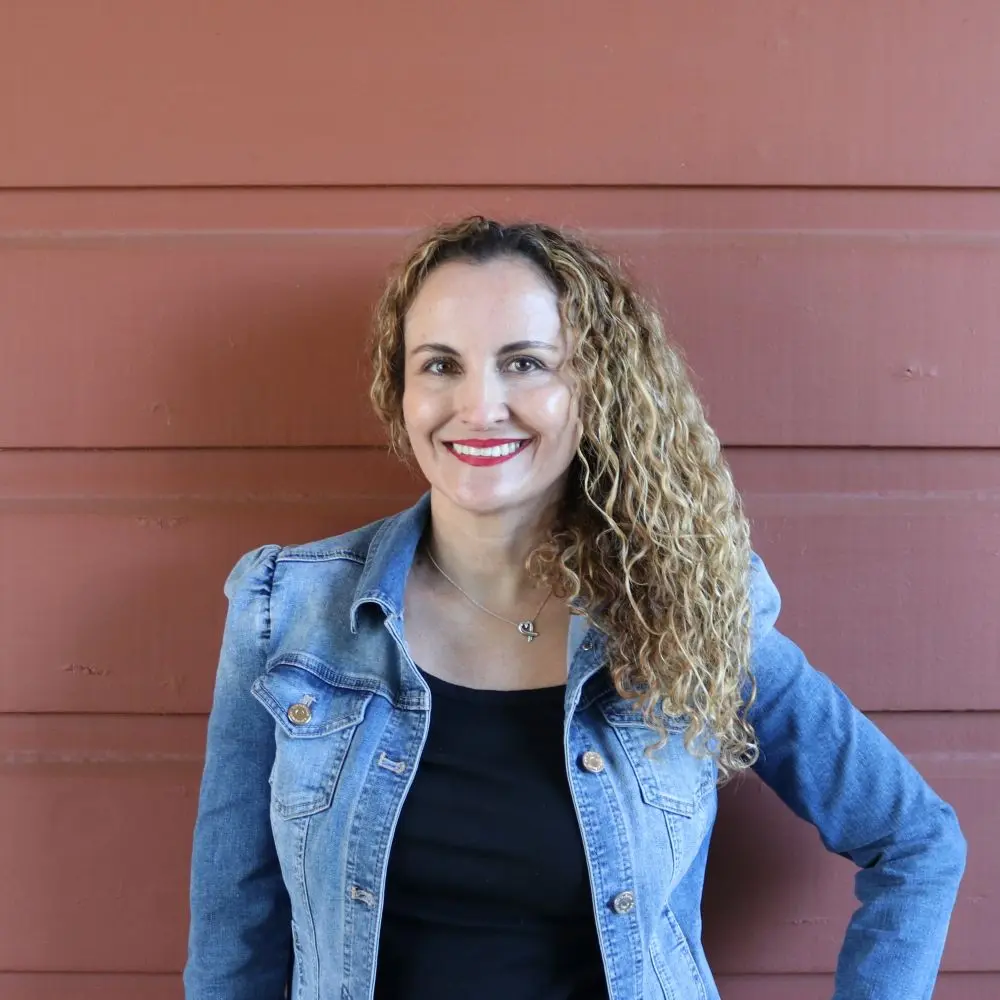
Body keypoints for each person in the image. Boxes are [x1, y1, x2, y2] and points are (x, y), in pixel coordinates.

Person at [183, 216, 966, 1000]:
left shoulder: (687, 604)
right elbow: (233, 937)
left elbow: (915, 842)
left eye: (524, 363)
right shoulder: (283, 609)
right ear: (401, 391)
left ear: (595, 385)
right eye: (440, 365)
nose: (480, 405)